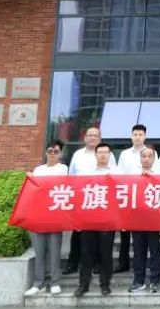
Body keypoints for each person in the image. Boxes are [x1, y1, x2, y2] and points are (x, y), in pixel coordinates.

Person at [74, 143, 118, 297]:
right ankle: (83, 284)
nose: (103, 155)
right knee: (86, 253)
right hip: (88, 219)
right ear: (96, 154)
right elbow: (78, 192)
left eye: (106, 152)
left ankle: (105, 284)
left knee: (106, 253)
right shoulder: (86, 172)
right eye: (100, 152)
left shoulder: (117, 172)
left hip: (107, 219)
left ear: (110, 155)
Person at [24, 141, 67, 297]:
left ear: (60, 153)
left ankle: (55, 282)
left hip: (54, 215)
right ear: (46, 153)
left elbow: (60, 186)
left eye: (56, 151)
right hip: (38, 214)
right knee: (39, 250)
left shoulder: (63, 169)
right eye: (50, 151)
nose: (52, 154)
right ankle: (38, 282)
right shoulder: (39, 170)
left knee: (54, 251)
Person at [65, 126, 101, 275]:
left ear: (99, 139)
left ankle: (96, 263)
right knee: (78, 232)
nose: (92, 138)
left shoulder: (106, 153)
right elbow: (71, 176)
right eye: (90, 135)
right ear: (85, 138)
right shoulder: (78, 155)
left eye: (95, 136)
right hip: (80, 198)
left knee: (97, 232)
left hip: (98, 197)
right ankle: (73, 263)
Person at [114, 123, 149, 274]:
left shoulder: (151, 153)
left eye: (140, 135)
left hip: (144, 198)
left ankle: (141, 262)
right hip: (128, 196)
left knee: (142, 232)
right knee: (125, 232)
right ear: (131, 137)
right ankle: (123, 263)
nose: (138, 137)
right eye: (135, 134)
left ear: (145, 137)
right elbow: (120, 175)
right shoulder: (125, 154)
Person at [129, 146, 160, 293]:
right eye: (144, 156)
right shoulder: (132, 174)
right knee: (138, 251)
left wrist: (151, 178)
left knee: (155, 251)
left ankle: (155, 281)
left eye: (150, 156)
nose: (147, 159)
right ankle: (139, 281)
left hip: (154, 219)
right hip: (137, 219)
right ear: (140, 158)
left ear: (154, 159)